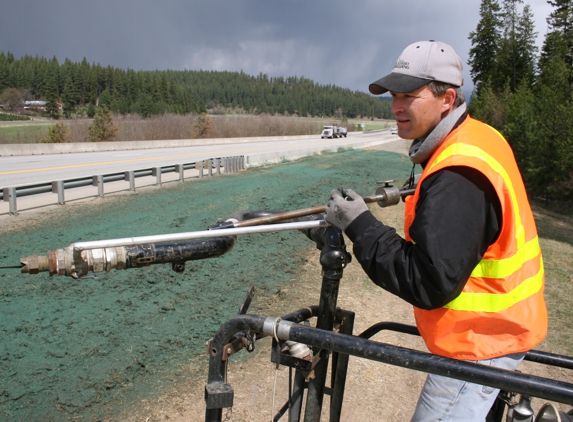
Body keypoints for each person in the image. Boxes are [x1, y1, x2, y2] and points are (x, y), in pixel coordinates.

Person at [324, 40, 547, 421]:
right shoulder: (477, 137)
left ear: (448, 99)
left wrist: (360, 225)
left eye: (409, 95)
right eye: (394, 95)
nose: (395, 106)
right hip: (494, 335)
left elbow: (429, 281)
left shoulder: (458, 173)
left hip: (480, 344)